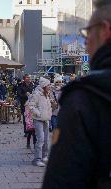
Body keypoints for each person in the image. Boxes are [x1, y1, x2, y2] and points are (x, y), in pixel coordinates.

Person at [42, 2, 111, 188]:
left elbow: (62, 180)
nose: (86, 43)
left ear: (105, 30)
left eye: (87, 34)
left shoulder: (85, 99)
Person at [29, 77, 52, 167]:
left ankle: (44, 156)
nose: (50, 86)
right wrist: (38, 113)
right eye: (48, 85)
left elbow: (47, 107)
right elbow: (30, 106)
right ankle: (37, 159)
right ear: (44, 86)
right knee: (41, 139)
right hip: (38, 120)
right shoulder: (37, 94)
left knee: (46, 139)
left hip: (46, 119)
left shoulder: (47, 94)